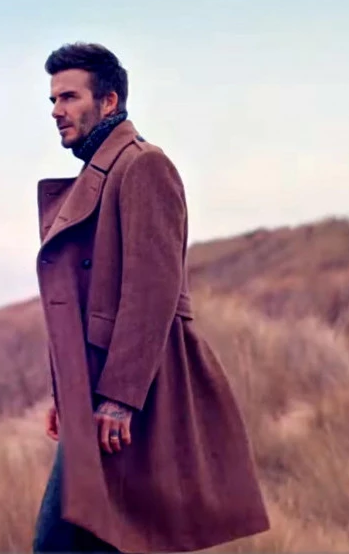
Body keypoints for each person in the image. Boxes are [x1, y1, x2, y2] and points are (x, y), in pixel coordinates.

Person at [31, 42, 270, 553]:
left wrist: (119, 397)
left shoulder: (143, 166)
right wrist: (65, 395)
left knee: (74, 543)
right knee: (86, 541)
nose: (55, 111)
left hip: (136, 391)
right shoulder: (104, 173)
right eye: (53, 99)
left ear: (109, 101)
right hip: (93, 392)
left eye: (69, 97)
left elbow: (151, 290)